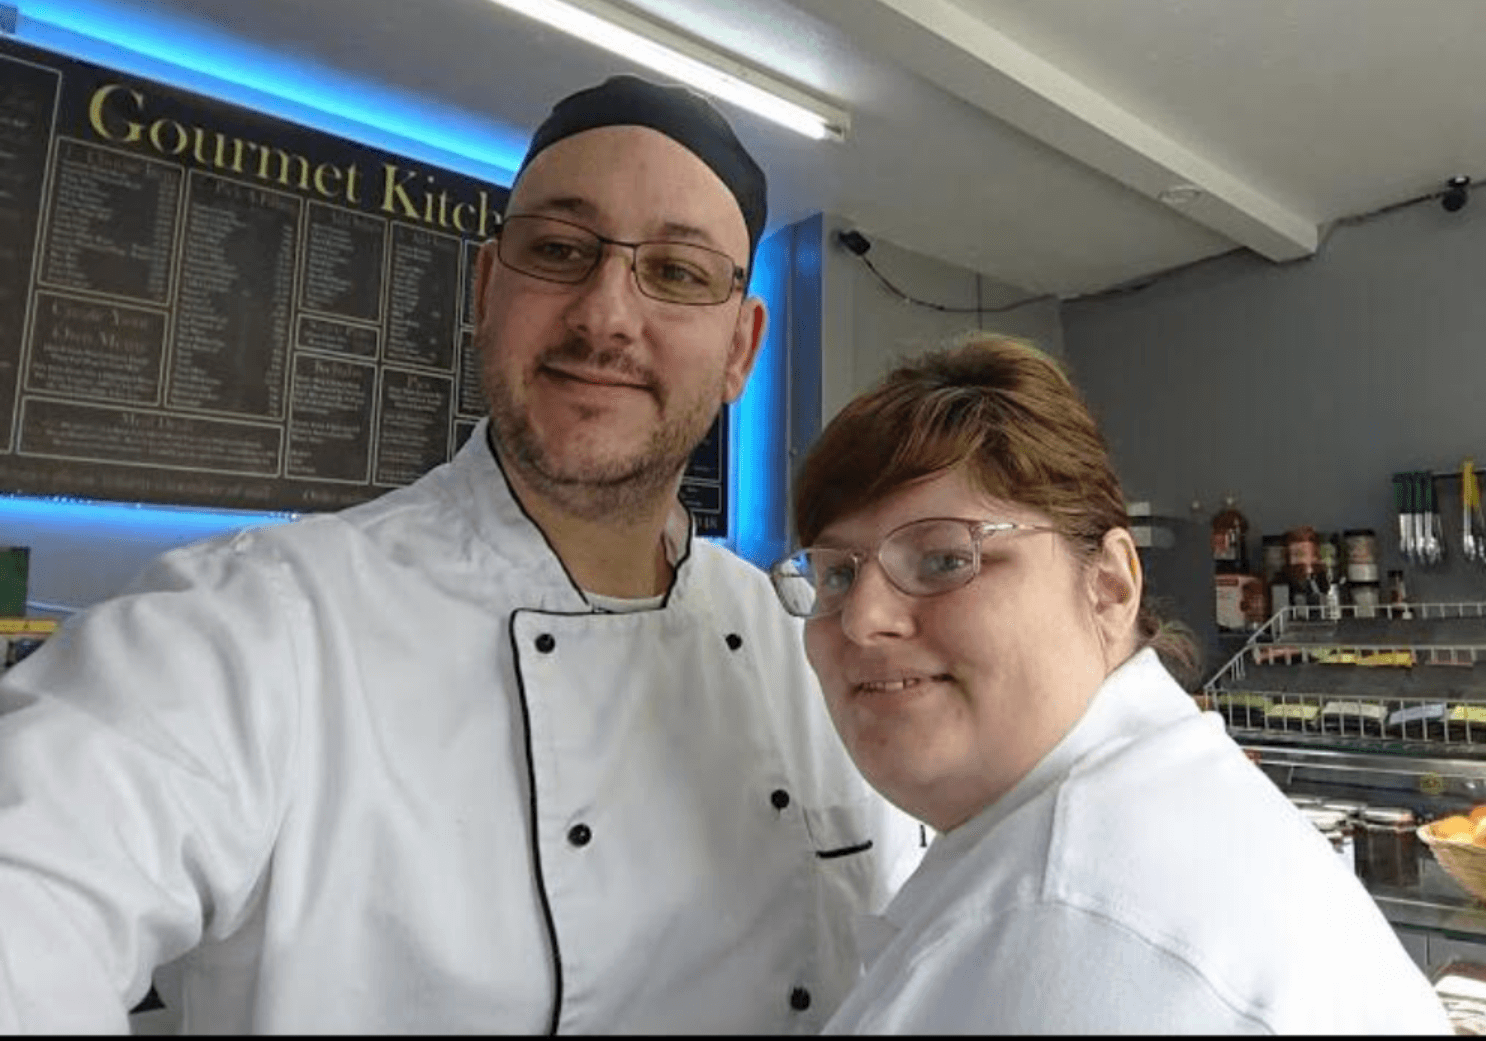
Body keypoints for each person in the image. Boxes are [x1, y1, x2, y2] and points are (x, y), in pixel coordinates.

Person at [0, 75, 922, 1033]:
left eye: (678, 272)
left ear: (740, 347)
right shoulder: (263, 626)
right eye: (559, 251)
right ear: (488, 288)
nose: (605, 314)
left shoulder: (817, 652)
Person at [768, 334, 1453, 1034]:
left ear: (1108, 584)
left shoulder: (1083, 935)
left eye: (945, 558)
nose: (860, 619)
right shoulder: (1091, 824)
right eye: (836, 574)